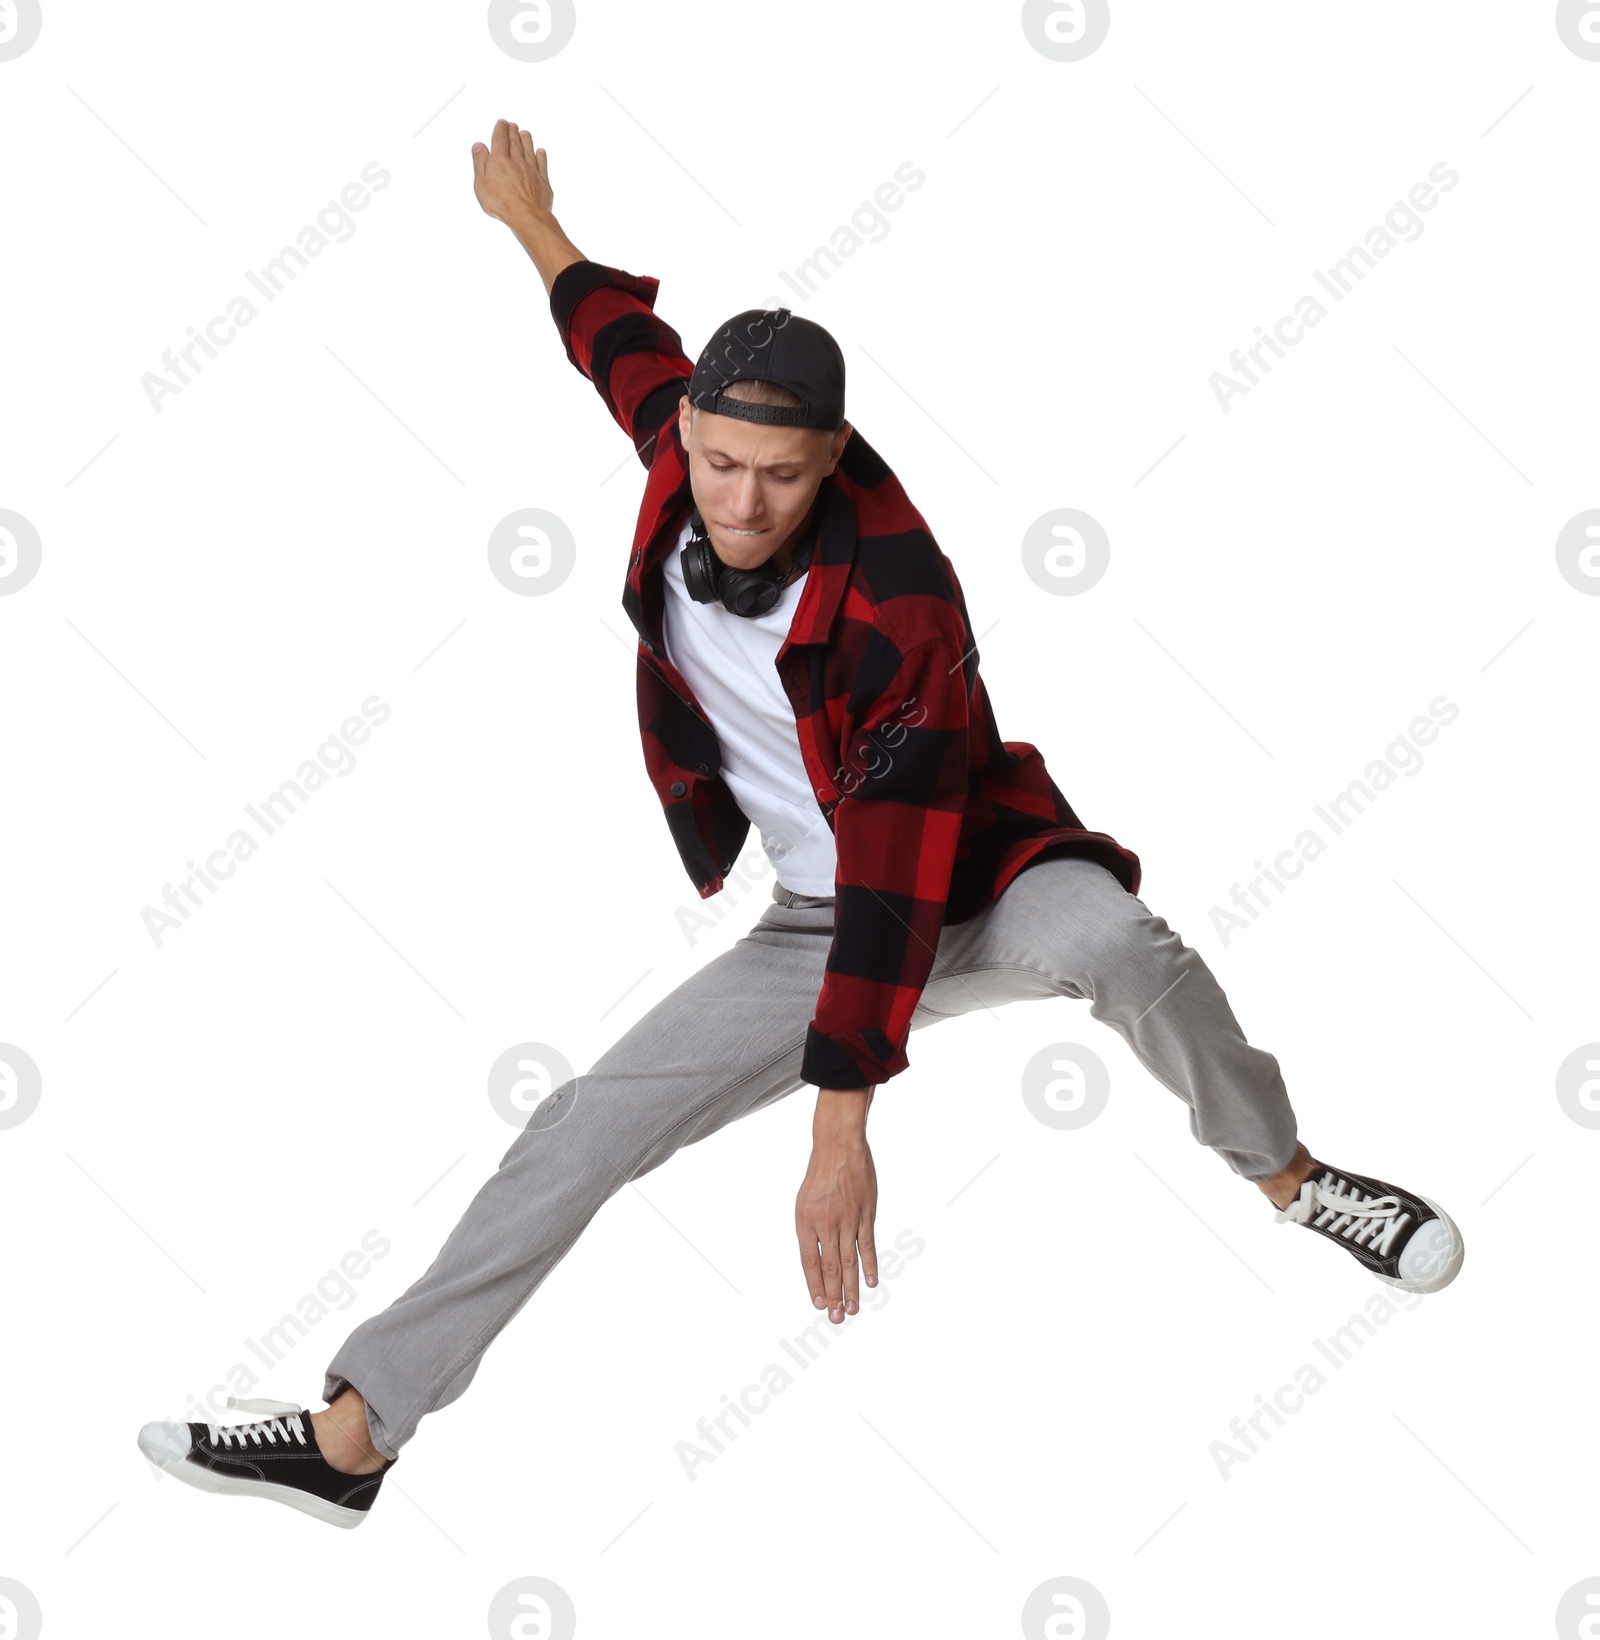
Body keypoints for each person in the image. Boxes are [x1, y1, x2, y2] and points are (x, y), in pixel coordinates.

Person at [137, 119, 1463, 1529]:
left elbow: (898, 882)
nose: (743, 501)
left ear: (832, 454)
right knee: (578, 1130)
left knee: (1124, 945)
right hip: (809, 924)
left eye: (780, 473)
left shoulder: (903, 600)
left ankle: (1290, 1175)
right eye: (717, 463)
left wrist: (839, 1140)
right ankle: (356, 1440)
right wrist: (530, 221)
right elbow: (615, 342)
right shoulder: (680, 447)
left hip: (970, 880)